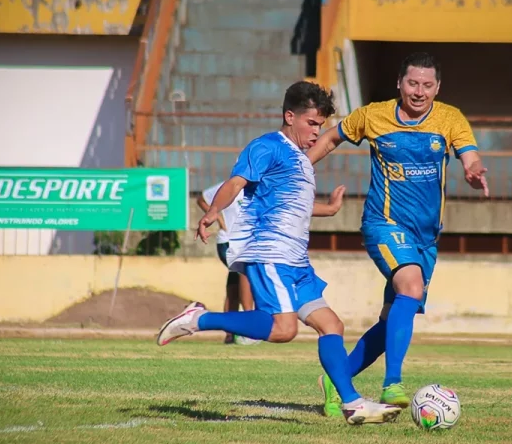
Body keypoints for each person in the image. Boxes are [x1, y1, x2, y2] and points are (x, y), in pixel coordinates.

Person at [156, 80, 403, 425]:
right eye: (312, 124)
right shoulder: (267, 146)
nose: (317, 133)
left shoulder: (300, 160)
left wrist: (327, 210)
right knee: (283, 329)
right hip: (270, 253)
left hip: (297, 261)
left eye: (320, 125)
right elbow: (236, 182)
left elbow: (291, 204)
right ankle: (198, 319)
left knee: (331, 324)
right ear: (290, 116)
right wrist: (213, 212)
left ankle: (351, 403)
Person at [305, 52, 489, 417]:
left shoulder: (450, 118)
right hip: (384, 224)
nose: (419, 92)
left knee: (393, 317)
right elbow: (330, 139)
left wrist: (474, 170)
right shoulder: (373, 116)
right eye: (412, 83)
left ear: (437, 87)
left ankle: (336, 378)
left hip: (426, 237)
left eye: (426, 85)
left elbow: (470, 156)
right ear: (399, 83)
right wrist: (297, 170)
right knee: (411, 287)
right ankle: (392, 384)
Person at [196, 182, 259, 345]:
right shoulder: (229, 186)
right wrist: (218, 219)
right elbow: (201, 199)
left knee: (234, 287)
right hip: (229, 242)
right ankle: (249, 326)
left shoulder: (258, 188)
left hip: (246, 243)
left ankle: (230, 334)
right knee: (245, 272)